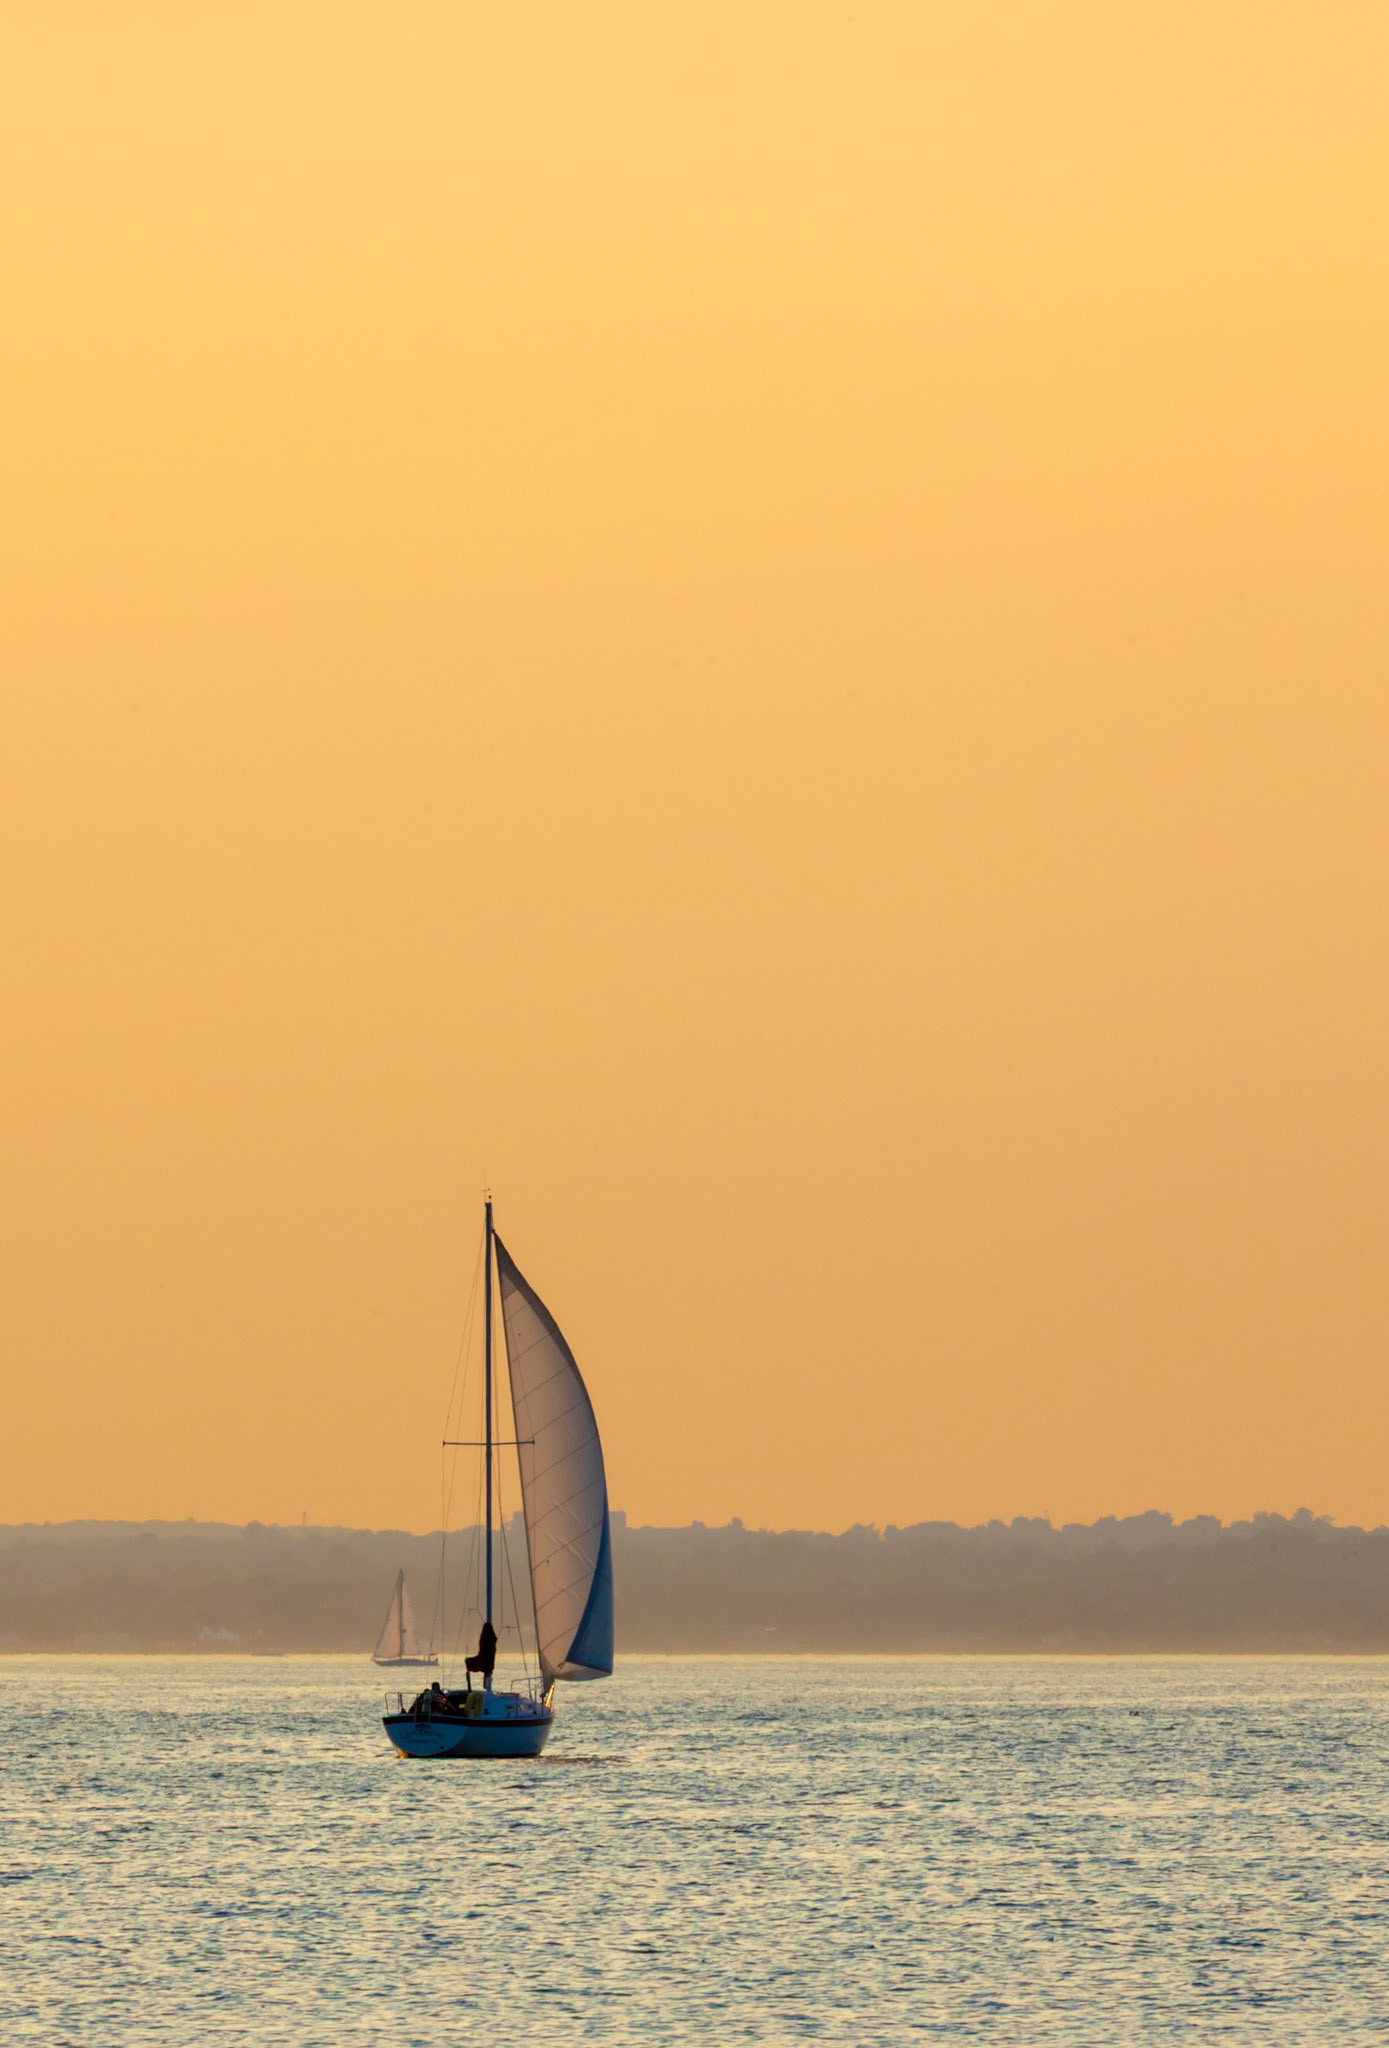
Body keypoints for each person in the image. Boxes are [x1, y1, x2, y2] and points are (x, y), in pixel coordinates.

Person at [464, 1620, 497, 1691]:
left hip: (487, 1662)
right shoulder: (489, 1641)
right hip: (488, 1663)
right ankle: (487, 1686)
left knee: (485, 1667)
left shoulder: (487, 1641)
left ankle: (487, 1686)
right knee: (486, 1668)